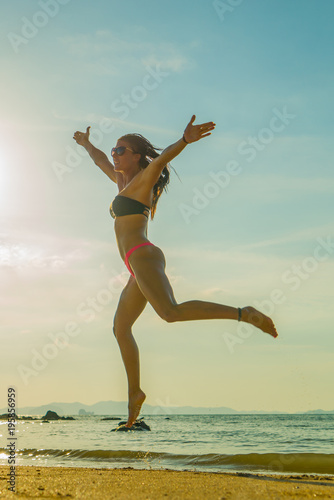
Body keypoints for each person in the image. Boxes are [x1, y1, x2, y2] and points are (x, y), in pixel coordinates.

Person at [73, 115, 278, 428]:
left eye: (121, 150)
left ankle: (243, 313)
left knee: (169, 312)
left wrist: (184, 141)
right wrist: (88, 144)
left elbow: (162, 159)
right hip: (135, 265)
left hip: (143, 256)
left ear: (137, 157)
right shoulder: (121, 182)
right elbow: (99, 159)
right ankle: (135, 393)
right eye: (114, 149)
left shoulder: (144, 179)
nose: (114, 154)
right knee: (121, 327)